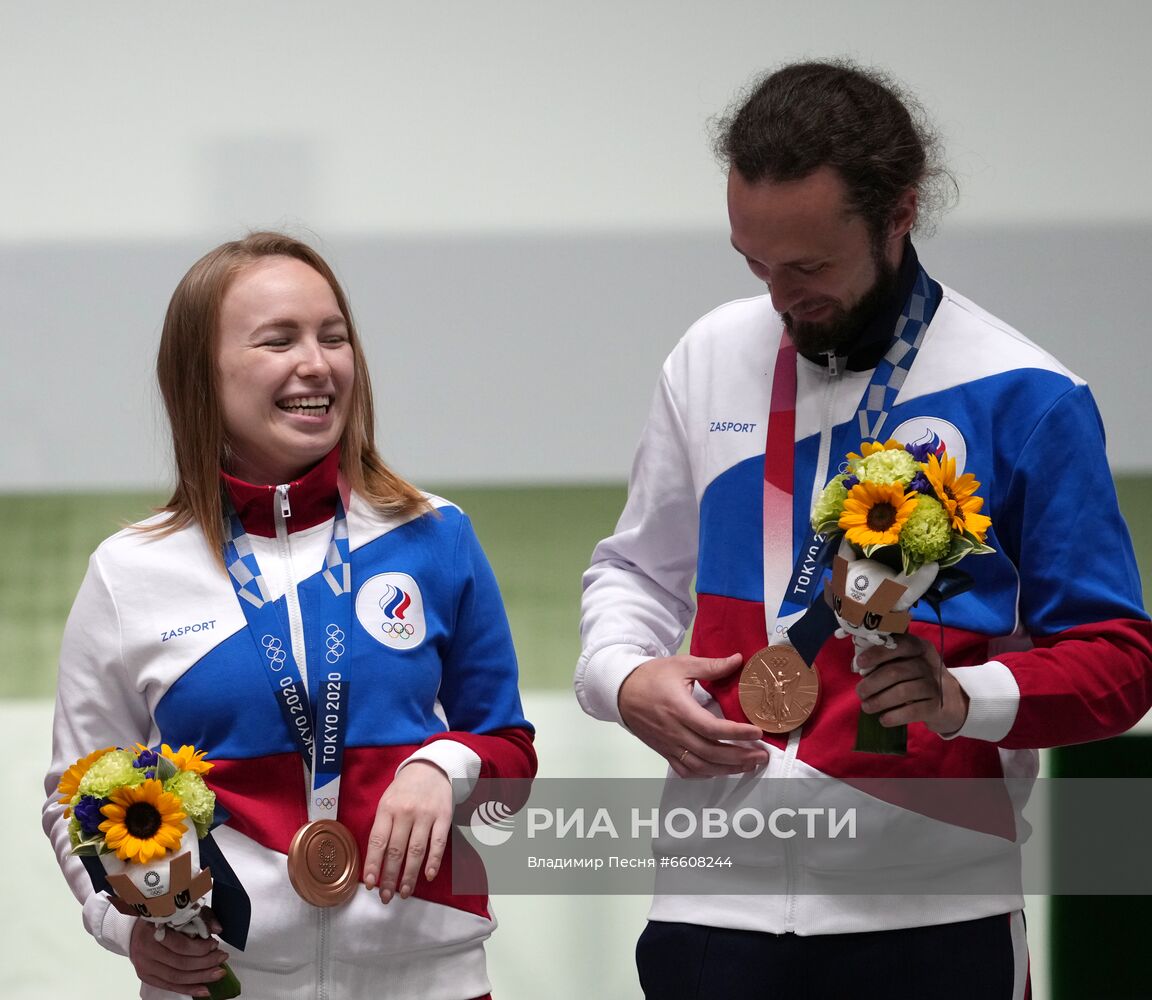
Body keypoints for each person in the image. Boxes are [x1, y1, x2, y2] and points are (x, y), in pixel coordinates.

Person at [576, 60, 1152, 998]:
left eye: (808, 268)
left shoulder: (1029, 397)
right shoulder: (709, 358)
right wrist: (622, 676)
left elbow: (1118, 661)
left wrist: (962, 701)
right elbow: (635, 570)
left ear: (898, 216)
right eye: (756, 265)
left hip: (934, 914)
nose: (779, 300)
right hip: (709, 910)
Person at [44, 231, 536, 999]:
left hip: (427, 980)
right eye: (279, 340)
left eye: (332, 337)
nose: (317, 363)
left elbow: (510, 751)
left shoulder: (435, 535)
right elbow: (74, 798)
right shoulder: (130, 571)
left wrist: (448, 764)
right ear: (200, 378)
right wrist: (126, 927)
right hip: (219, 980)